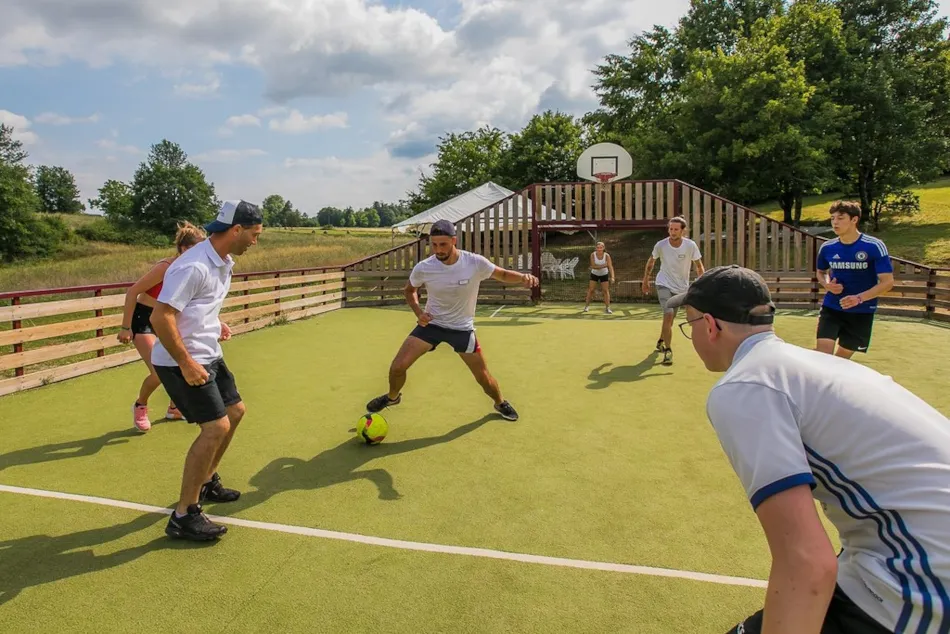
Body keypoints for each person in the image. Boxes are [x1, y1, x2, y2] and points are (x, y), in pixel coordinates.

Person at [667, 264, 950, 634]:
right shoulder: (814, 366)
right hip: (907, 556)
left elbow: (807, 562)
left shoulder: (745, 385)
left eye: (689, 324)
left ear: (710, 325)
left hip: (923, 580)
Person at [150, 200, 263, 541]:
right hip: (180, 360)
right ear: (236, 230)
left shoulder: (223, 261)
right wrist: (186, 363)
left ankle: (206, 480)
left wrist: (215, 323)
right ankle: (184, 515)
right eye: (254, 234)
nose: (255, 241)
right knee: (215, 427)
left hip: (208, 352)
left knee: (235, 411)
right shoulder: (193, 265)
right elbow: (160, 316)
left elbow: (197, 306)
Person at [365, 219, 539, 422]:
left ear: (454, 241)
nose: (438, 250)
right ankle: (392, 397)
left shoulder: (474, 262)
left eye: (443, 244)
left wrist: (523, 278)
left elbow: (503, 274)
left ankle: (500, 402)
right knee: (397, 367)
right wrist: (418, 312)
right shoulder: (424, 267)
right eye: (434, 245)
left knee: (483, 377)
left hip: (462, 329)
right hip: (432, 325)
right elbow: (409, 290)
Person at [118, 222, 206, 432]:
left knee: (179, 365)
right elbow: (132, 292)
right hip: (144, 320)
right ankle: (140, 405)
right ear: (184, 248)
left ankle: (174, 408)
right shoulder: (165, 267)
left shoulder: (191, 270)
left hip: (167, 320)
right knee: (158, 372)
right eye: (196, 249)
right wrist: (125, 327)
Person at [815, 201, 895, 359]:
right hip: (832, 307)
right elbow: (821, 271)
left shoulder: (874, 246)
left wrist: (859, 298)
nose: (835, 222)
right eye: (832, 218)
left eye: (840, 218)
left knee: (841, 361)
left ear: (854, 220)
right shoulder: (827, 247)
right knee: (823, 356)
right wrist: (826, 284)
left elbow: (887, 282)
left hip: (862, 311)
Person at [640, 216, 704, 365]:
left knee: (671, 319)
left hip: (682, 288)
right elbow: (651, 261)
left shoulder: (690, 245)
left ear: (683, 231)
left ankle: (661, 340)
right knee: (668, 314)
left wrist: (702, 283)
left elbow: (699, 266)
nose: (672, 232)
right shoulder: (661, 245)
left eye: (676, 229)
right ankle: (668, 351)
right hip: (663, 283)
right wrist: (646, 279)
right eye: (670, 229)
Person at [583, 241, 615, 314]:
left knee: (605, 291)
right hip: (594, 274)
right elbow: (593, 266)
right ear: (596, 248)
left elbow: (610, 266)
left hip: (604, 274)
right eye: (598, 248)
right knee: (591, 290)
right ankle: (586, 306)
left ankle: (608, 308)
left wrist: (612, 277)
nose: (599, 249)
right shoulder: (593, 255)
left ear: (603, 248)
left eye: (601, 247)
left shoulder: (607, 256)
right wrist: (604, 265)